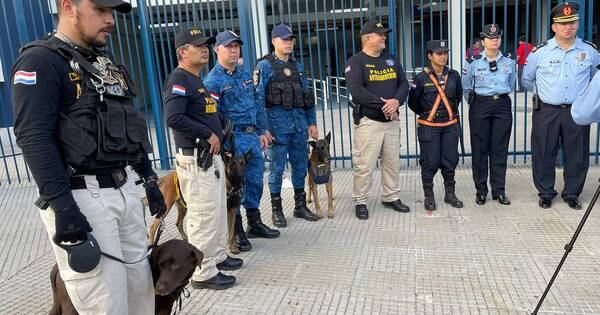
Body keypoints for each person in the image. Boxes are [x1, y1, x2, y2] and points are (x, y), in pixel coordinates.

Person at [11, 0, 166, 313]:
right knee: (105, 303)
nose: (110, 20)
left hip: (123, 192)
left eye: (112, 13)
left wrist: (148, 178)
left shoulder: (102, 63)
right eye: (100, 10)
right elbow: (33, 138)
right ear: (69, 6)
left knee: (141, 293)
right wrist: (64, 209)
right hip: (83, 198)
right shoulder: (40, 61)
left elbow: (127, 124)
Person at [163, 28, 242, 290]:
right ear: (182, 52)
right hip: (196, 159)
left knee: (216, 211)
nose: (205, 49)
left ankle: (216, 257)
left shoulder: (196, 79)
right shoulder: (179, 79)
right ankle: (202, 272)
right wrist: (207, 133)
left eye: (207, 44)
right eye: (198, 46)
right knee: (202, 215)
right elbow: (172, 117)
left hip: (210, 158)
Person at [204, 30, 279, 247]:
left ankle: (254, 223)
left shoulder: (245, 75)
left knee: (255, 181)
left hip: (251, 137)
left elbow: (257, 103)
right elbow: (212, 115)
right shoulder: (213, 81)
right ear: (217, 49)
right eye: (229, 46)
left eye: (236, 46)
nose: (234, 50)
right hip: (232, 140)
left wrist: (262, 130)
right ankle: (235, 230)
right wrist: (222, 143)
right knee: (235, 186)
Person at [522, 2, 600, 210]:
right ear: (554, 26)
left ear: (577, 23)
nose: (569, 27)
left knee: (577, 154)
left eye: (573, 22)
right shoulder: (540, 52)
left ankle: (572, 193)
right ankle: (546, 193)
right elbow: (527, 79)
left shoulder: (589, 51)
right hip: (547, 110)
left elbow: (594, 78)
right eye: (563, 23)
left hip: (576, 111)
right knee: (543, 152)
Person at [255, 24, 320, 227]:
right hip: (276, 129)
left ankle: (300, 206)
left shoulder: (297, 67)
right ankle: (277, 210)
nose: (289, 43)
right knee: (276, 170)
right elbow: (257, 99)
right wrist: (262, 128)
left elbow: (307, 97)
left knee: (300, 168)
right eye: (284, 39)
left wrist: (312, 123)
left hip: (299, 127)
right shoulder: (264, 67)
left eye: (291, 39)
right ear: (274, 41)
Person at [344, 20, 410, 220]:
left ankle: (391, 196)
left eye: (384, 34)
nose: (384, 37)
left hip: (391, 122)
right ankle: (360, 200)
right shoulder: (355, 62)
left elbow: (404, 84)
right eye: (379, 34)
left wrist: (396, 102)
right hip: (369, 122)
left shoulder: (391, 60)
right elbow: (357, 91)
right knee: (365, 164)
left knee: (392, 162)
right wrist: (386, 105)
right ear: (367, 38)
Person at [462, 24, 515, 206]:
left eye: (497, 37)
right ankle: (481, 191)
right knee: (480, 149)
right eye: (490, 38)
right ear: (482, 41)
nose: (495, 40)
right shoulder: (472, 62)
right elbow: (466, 86)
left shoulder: (509, 60)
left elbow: (512, 83)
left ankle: (499, 191)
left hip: (501, 104)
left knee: (499, 150)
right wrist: (476, 102)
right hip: (480, 105)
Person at [408, 40, 463, 211]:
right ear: (429, 56)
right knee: (429, 162)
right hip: (429, 126)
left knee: (450, 160)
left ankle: (450, 194)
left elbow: (458, 98)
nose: (444, 56)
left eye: (445, 52)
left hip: (449, 125)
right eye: (439, 53)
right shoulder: (420, 78)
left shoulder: (454, 76)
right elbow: (413, 103)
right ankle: (429, 196)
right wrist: (429, 116)